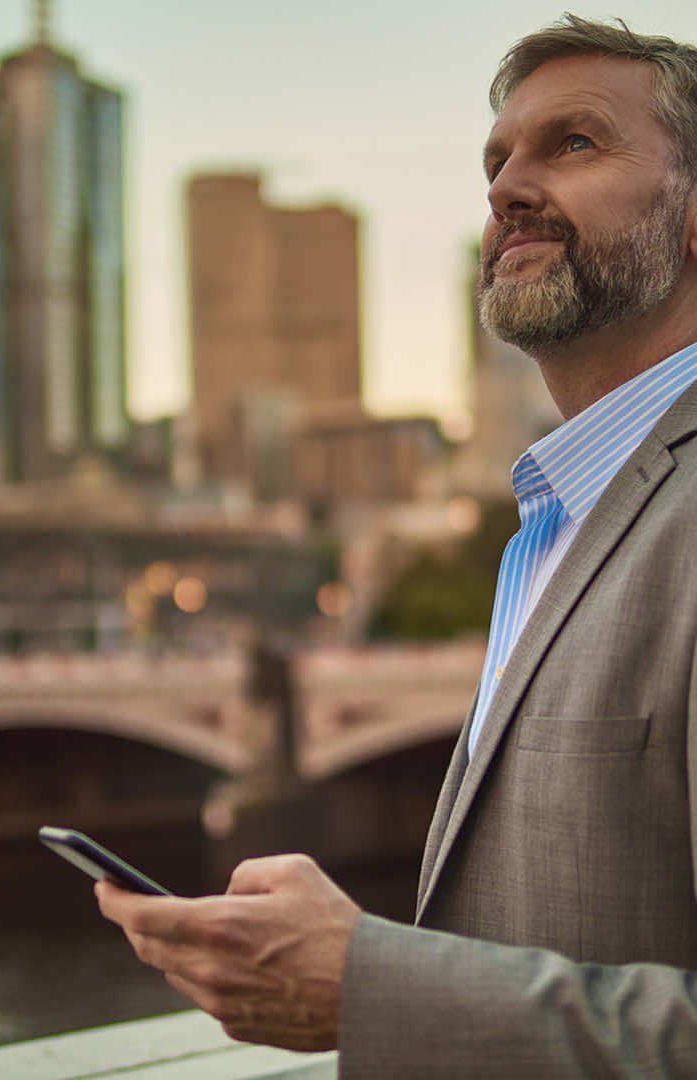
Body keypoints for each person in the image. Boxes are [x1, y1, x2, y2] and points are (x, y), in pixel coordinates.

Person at [95, 15, 697, 1076]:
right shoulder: (554, 522)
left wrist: (368, 982)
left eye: (574, 144)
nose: (506, 188)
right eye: (494, 162)